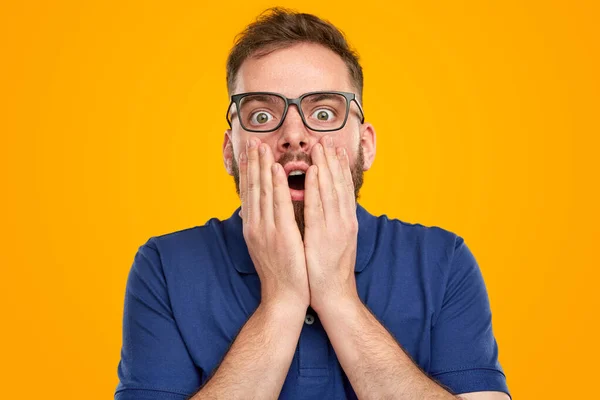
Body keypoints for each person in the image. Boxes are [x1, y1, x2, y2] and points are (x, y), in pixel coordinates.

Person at [115, 8, 510, 400]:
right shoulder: (165, 266)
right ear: (229, 152)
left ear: (365, 145)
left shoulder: (443, 261)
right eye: (262, 114)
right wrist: (282, 300)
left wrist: (337, 295)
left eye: (323, 113)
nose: (294, 135)